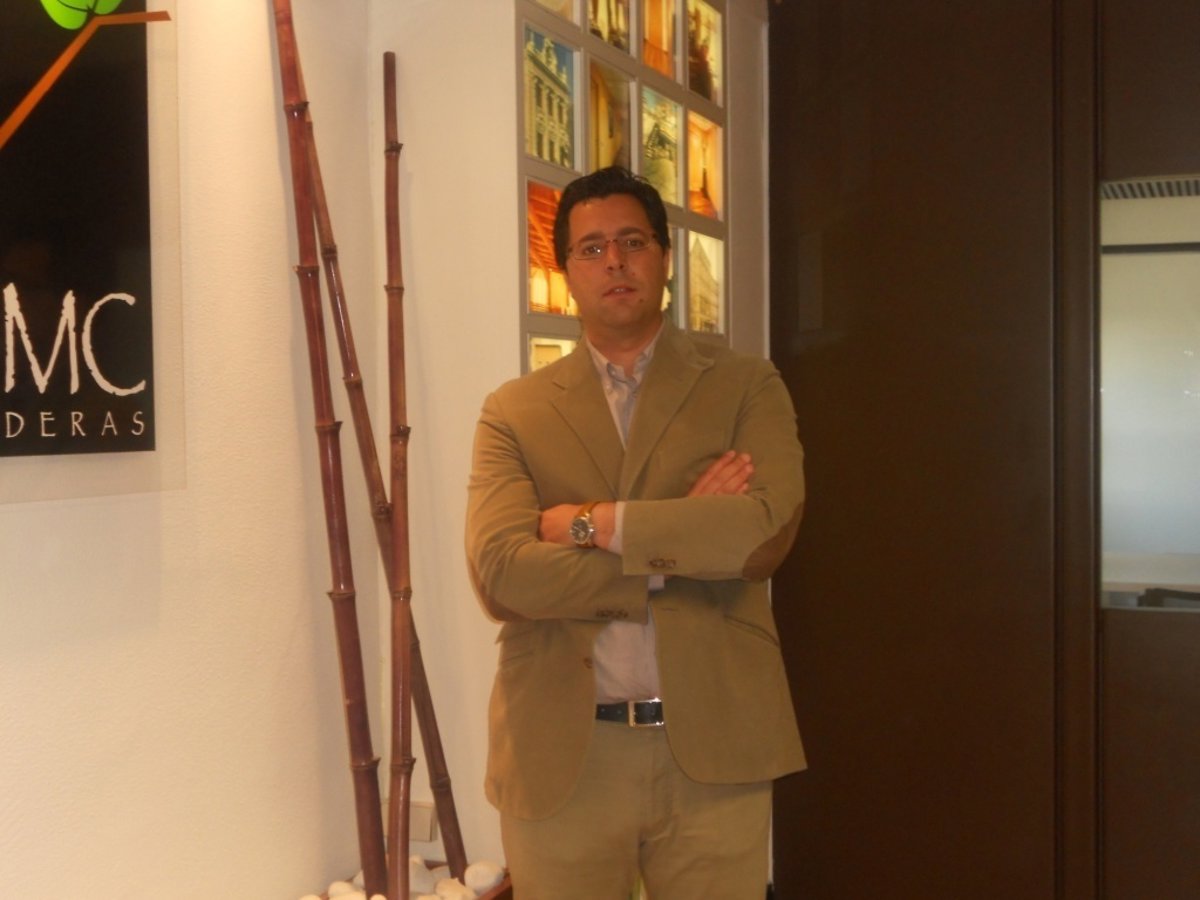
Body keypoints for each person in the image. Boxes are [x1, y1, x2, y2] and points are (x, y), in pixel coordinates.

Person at [466, 166, 805, 899]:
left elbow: (761, 537)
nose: (614, 261)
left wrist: (592, 525)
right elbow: (502, 575)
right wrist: (676, 543)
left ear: (665, 257)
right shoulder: (514, 411)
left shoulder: (745, 384)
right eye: (591, 248)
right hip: (563, 756)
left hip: (715, 749)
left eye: (632, 242)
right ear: (567, 270)